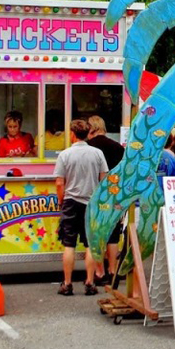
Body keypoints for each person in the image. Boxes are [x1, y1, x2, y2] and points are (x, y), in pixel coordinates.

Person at [54, 120, 108, 296]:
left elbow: (60, 182)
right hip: (91, 203)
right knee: (90, 244)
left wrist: (61, 201)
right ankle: (90, 282)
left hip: (71, 202)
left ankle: (68, 283)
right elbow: (104, 179)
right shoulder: (97, 153)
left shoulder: (65, 155)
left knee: (69, 244)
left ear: (72, 134)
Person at [86, 115, 124, 282]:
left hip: (95, 195)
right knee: (113, 235)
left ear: (91, 129)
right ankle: (113, 271)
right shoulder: (117, 147)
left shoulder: (89, 148)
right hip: (114, 194)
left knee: (97, 233)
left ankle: (99, 273)